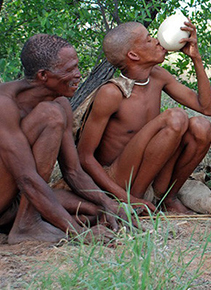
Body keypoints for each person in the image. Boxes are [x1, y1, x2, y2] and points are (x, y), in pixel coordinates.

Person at [76, 20, 211, 214]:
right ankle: (137, 201)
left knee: (201, 126)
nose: (158, 41)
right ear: (133, 55)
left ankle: (168, 199)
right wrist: (126, 198)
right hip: (120, 180)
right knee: (175, 117)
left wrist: (196, 58)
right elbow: (84, 157)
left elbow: (207, 108)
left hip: (153, 173)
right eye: (149, 40)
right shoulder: (112, 93)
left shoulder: (158, 76)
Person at [0, 34, 126, 244]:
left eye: (77, 67)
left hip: (18, 199)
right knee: (50, 115)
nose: (78, 75)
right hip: (12, 192)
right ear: (43, 75)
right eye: (69, 69)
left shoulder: (61, 103)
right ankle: (26, 225)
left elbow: (73, 171)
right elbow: (26, 178)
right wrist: (79, 233)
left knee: (98, 212)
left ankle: (27, 221)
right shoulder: (5, 104)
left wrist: (108, 203)